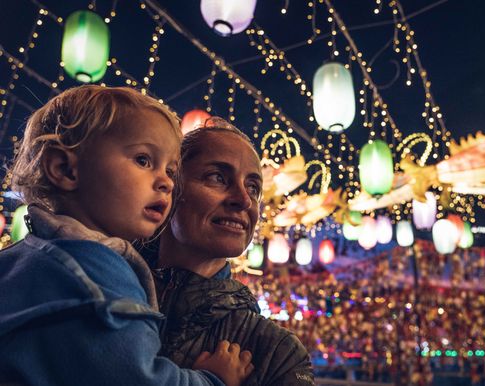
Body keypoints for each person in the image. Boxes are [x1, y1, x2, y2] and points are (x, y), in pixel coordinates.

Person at [0, 86, 253, 386]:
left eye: (170, 171)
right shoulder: (94, 273)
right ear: (65, 169)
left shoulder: (23, 258)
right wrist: (214, 380)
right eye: (144, 160)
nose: (166, 183)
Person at [143, 117, 316, 385]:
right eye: (218, 177)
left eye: (253, 188)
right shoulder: (103, 289)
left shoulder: (275, 353)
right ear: (170, 186)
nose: (244, 200)